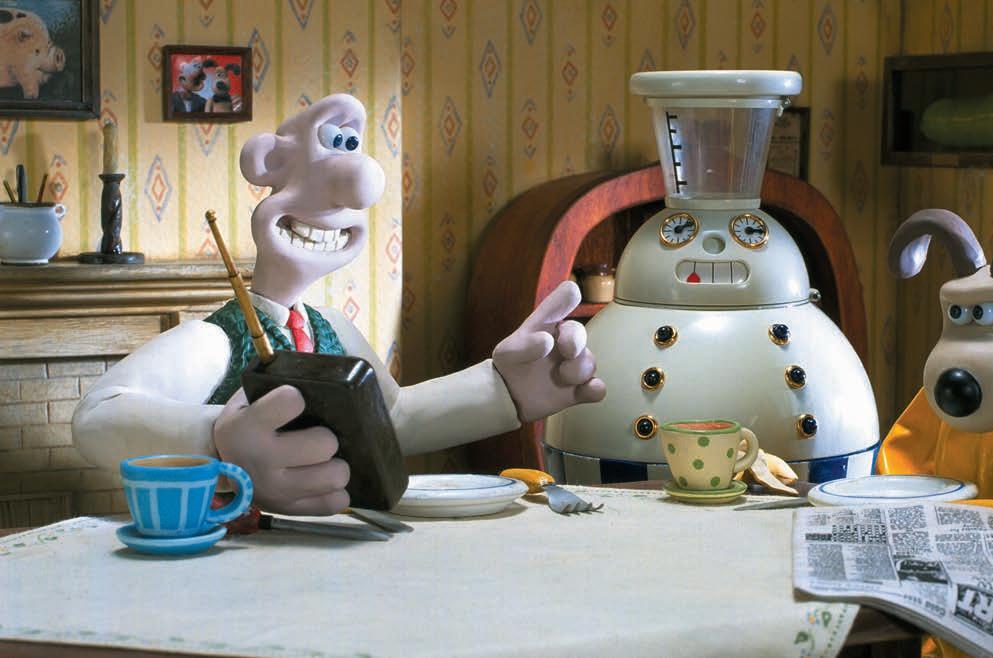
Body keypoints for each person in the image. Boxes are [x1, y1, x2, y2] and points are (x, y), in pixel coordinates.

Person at [73, 93, 605, 516]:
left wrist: (501, 390)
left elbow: (391, 417)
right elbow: (96, 417)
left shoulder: (332, 328)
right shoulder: (215, 339)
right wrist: (215, 438)